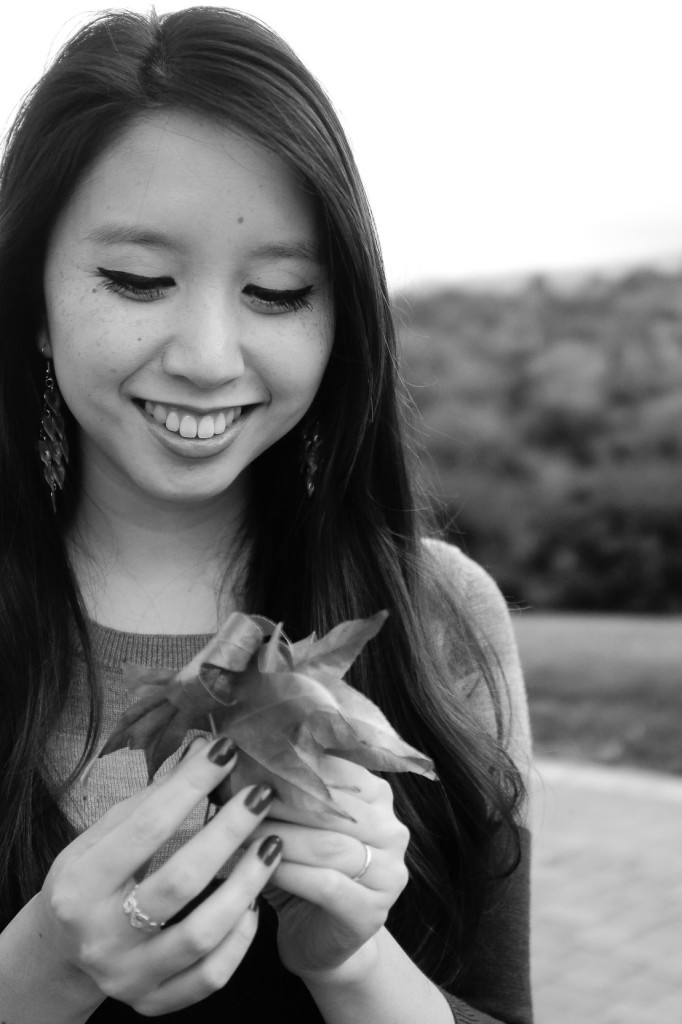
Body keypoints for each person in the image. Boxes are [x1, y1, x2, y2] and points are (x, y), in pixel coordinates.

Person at [0, 8, 533, 1023]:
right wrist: (32, 977)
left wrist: (353, 962)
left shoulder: (440, 614)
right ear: (31, 299)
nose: (207, 354)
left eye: (279, 292)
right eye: (137, 279)